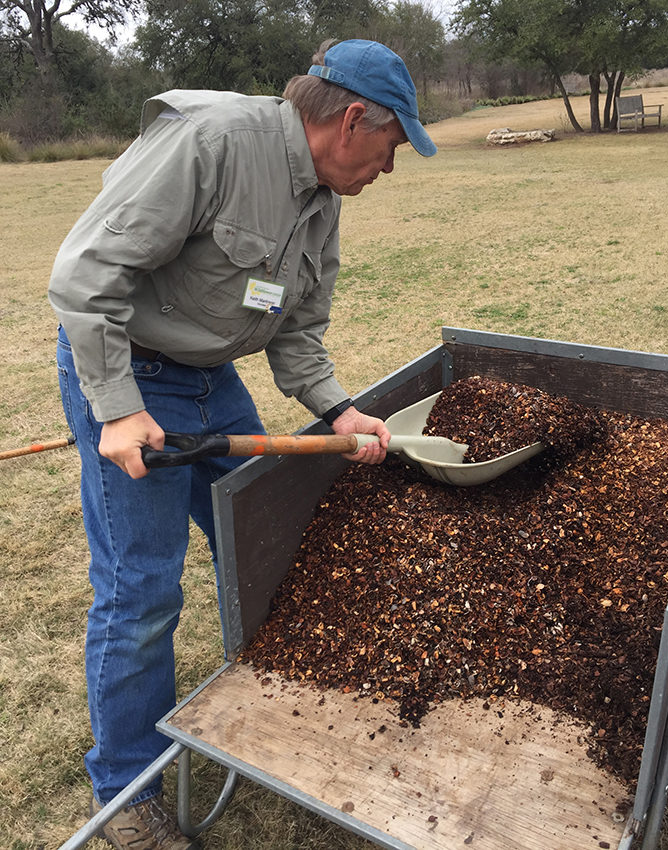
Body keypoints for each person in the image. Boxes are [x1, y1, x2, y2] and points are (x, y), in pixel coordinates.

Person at [49, 38, 437, 849]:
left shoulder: (322, 201)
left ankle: (271, 704)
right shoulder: (215, 141)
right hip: (131, 373)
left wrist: (339, 411)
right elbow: (86, 273)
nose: (389, 169)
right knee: (143, 591)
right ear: (353, 119)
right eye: (393, 147)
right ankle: (126, 796)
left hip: (207, 378)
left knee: (262, 540)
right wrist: (117, 410)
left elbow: (297, 332)